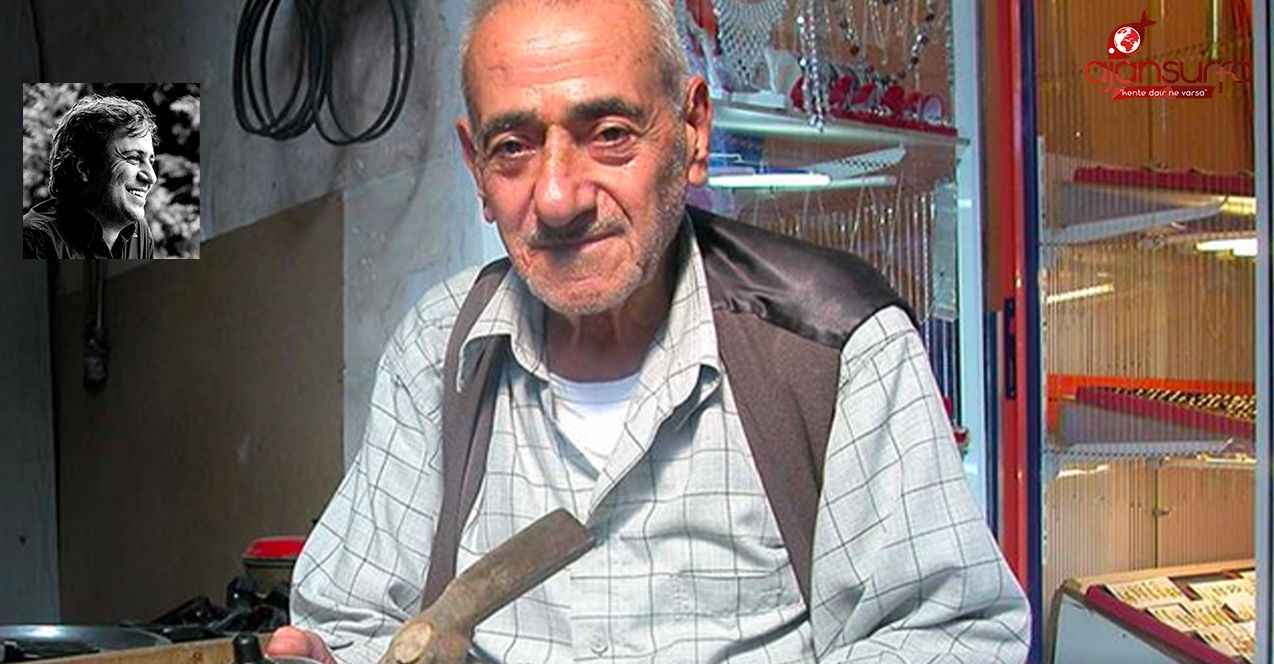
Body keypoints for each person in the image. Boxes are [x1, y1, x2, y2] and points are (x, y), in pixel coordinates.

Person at [269, 0, 1031, 662]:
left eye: (608, 133)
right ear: (476, 167)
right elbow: (352, 617)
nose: (558, 197)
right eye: (514, 148)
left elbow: (951, 634)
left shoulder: (836, 345)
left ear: (692, 131)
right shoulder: (438, 350)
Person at [23, 95, 157, 259]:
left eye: (151, 161)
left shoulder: (140, 234)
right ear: (84, 169)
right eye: (134, 158)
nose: (151, 177)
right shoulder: (35, 242)